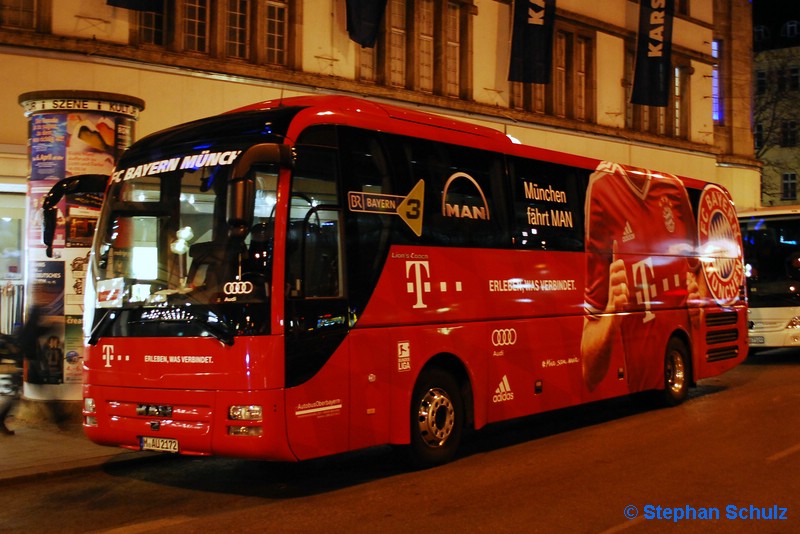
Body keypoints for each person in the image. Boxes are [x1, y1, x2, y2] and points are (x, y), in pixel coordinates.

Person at [580, 161, 704, 392]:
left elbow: (700, 269)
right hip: (636, 380)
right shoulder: (601, 187)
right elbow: (590, 373)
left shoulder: (675, 189)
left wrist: (698, 303)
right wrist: (610, 316)